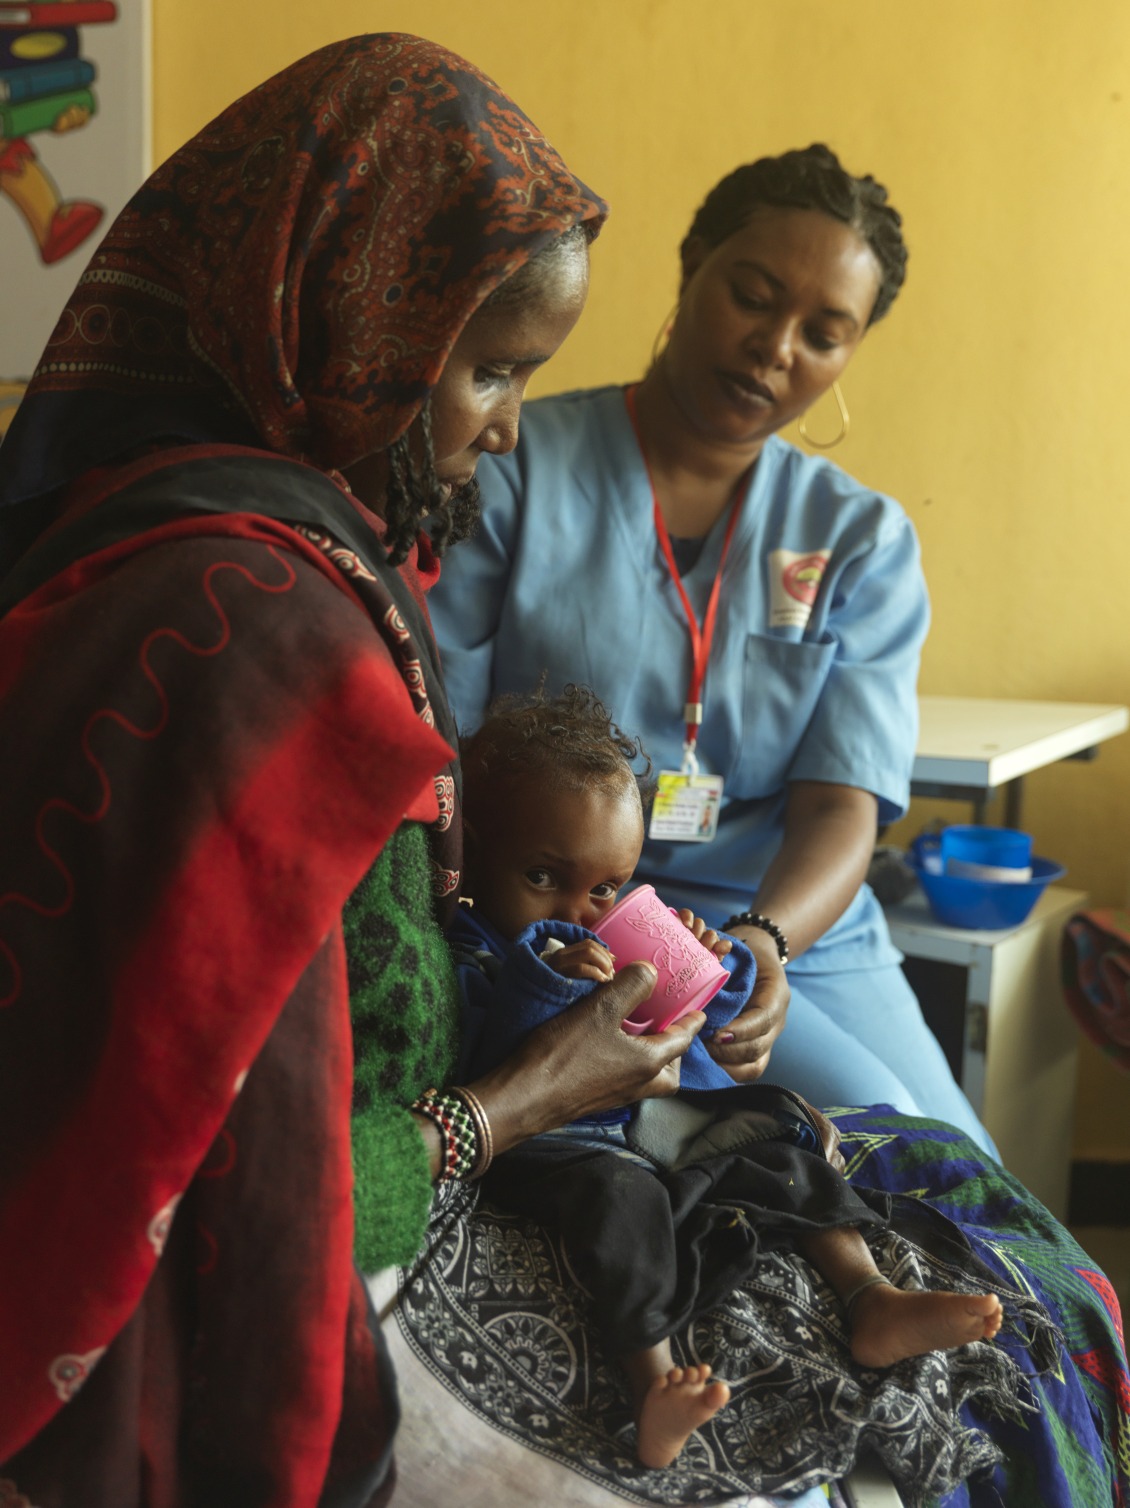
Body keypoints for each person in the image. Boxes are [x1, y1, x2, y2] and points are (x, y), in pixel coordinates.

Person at [0, 35, 707, 1507]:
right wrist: (517, 1101)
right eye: (491, 369)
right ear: (341, 326)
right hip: (257, 1321)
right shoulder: (252, 648)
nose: (507, 431)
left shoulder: (198, 547)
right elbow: (251, 1199)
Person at [429, 144, 994, 1152]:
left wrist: (764, 941)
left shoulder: (859, 538)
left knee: (948, 1159)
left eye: (823, 334)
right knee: (816, 1144)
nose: (776, 347)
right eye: (753, 295)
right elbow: (446, 742)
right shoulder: (509, 464)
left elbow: (840, 804)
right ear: (692, 264)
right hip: (564, 898)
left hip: (781, 923)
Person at [449, 685, 1004, 1469]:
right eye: (544, 876)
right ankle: (654, 1381)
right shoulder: (473, 946)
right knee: (623, 1203)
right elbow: (490, 1050)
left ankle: (870, 1296)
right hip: (563, 1144)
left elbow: (700, 1017)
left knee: (782, 1138)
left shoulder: (613, 930)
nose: (581, 911)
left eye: (606, 888)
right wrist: (550, 981)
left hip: (655, 1119)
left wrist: (717, 964)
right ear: (472, 852)